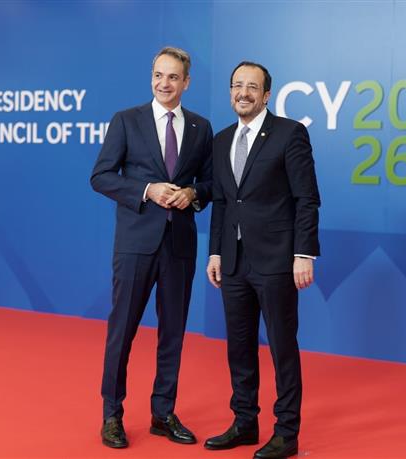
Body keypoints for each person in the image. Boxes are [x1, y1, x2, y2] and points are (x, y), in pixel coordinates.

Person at [90, 46, 212, 449]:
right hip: (135, 244)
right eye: (159, 75)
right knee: (122, 331)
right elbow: (101, 176)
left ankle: (163, 413)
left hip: (179, 246)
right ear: (151, 77)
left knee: (173, 333)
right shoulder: (126, 120)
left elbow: (211, 184)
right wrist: (147, 190)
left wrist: (192, 193)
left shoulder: (201, 127)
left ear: (186, 82)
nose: (164, 83)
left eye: (173, 77)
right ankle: (112, 414)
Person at [204, 61, 320, 459]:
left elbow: (307, 198)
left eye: (252, 87)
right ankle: (244, 422)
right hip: (234, 262)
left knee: (282, 347)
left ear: (266, 95)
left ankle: (287, 432)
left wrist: (303, 253)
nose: (243, 93)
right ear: (230, 92)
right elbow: (223, 202)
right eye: (237, 85)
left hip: (276, 261)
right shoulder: (221, 140)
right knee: (239, 347)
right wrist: (216, 251)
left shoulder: (290, 133)